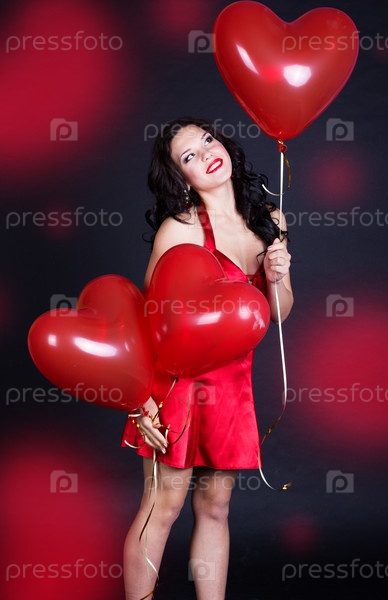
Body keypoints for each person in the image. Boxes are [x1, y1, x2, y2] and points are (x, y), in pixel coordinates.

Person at [121, 117, 293, 600]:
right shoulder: (180, 229)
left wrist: (277, 276)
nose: (206, 154)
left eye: (207, 140)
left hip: (232, 385)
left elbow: (278, 314)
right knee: (164, 505)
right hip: (174, 384)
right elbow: (144, 321)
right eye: (189, 156)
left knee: (216, 507)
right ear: (182, 178)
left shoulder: (270, 218)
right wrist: (140, 402)